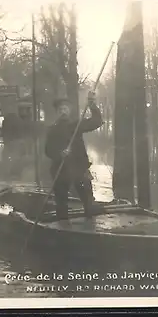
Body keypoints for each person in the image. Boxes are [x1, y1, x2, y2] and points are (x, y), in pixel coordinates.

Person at [44, 91, 103, 221]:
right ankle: (63, 229)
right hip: (60, 169)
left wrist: (92, 105)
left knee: (88, 199)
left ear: (69, 110)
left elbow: (97, 121)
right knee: (61, 202)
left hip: (78, 168)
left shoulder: (76, 125)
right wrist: (60, 154)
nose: (63, 111)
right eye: (60, 109)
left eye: (65, 108)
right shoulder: (52, 129)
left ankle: (91, 229)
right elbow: (48, 150)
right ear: (57, 112)